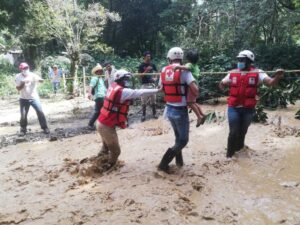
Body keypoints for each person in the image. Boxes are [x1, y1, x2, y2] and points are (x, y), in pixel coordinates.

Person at [219, 50, 284, 158]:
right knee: (233, 131)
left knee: (243, 131)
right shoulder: (233, 72)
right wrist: (223, 84)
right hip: (233, 107)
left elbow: (270, 83)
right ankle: (229, 157)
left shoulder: (258, 72)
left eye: (242, 60)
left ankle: (239, 150)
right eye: (238, 59)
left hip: (248, 109)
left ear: (249, 61)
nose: (239, 61)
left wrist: (277, 77)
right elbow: (221, 85)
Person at [96, 69, 158, 169]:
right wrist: (158, 90)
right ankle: (106, 168)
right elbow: (139, 92)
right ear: (121, 79)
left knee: (105, 148)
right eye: (126, 78)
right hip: (106, 126)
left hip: (101, 122)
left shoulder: (113, 86)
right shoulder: (123, 91)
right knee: (116, 151)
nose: (128, 80)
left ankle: (96, 163)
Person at [158, 47, 199, 173]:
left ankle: (179, 162)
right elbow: (195, 91)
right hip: (180, 110)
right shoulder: (185, 71)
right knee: (183, 140)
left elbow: (160, 88)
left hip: (169, 109)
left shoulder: (164, 70)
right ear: (181, 59)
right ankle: (163, 164)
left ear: (169, 58)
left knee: (177, 138)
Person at [15, 62, 50, 135]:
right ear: (21, 69)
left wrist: (38, 80)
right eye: (24, 68)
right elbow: (18, 88)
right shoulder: (18, 76)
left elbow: (42, 81)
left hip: (34, 98)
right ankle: (23, 129)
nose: (26, 69)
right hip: (23, 99)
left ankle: (45, 128)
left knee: (40, 112)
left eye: (27, 67)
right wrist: (22, 84)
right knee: (23, 115)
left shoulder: (32, 75)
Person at [174, 49, 206, 127]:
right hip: (196, 85)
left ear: (188, 58)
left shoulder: (190, 64)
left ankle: (199, 117)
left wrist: (178, 67)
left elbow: (187, 68)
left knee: (189, 102)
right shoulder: (196, 66)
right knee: (193, 102)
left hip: (191, 85)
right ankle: (202, 114)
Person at [138, 51, 158, 122]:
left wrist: (155, 78)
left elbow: (157, 72)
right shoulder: (141, 65)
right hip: (144, 85)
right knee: (143, 101)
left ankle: (154, 114)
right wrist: (146, 70)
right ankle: (143, 115)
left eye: (149, 56)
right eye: (147, 56)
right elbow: (140, 76)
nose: (149, 58)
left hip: (152, 84)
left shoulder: (153, 64)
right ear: (144, 57)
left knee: (153, 100)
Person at [87, 64, 107, 130]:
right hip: (99, 96)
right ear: (96, 72)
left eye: (101, 71)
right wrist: (89, 93)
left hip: (103, 96)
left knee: (100, 111)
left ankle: (96, 124)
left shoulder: (100, 78)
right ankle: (91, 124)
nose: (101, 72)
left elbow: (103, 88)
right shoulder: (95, 78)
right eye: (99, 71)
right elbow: (91, 86)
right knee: (99, 111)